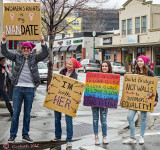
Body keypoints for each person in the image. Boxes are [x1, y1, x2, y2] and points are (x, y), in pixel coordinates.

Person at [1, 32, 48, 143]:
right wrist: (3, 41)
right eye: (24, 48)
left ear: (30, 49)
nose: (26, 49)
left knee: (27, 114)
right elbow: (5, 52)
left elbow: (45, 54)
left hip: (30, 89)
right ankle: (12, 135)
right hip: (18, 88)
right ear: (21, 49)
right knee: (16, 113)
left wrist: (42, 42)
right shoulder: (17, 56)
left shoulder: (34, 58)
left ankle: (25, 135)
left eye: (27, 48)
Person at [123, 55, 158, 145]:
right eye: (138, 61)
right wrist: (125, 98)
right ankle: (132, 137)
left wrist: (155, 99)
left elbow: (153, 87)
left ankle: (141, 136)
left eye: (141, 61)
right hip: (134, 100)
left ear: (145, 63)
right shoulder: (135, 72)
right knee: (130, 117)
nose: (139, 62)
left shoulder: (149, 73)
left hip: (145, 99)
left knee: (143, 118)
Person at [51, 58, 82, 148]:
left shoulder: (76, 76)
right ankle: (57, 136)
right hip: (59, 99)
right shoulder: (61, 72)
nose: (68, 66)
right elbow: (56, 83)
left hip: (69, 102)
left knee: (69, 121)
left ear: (74, 66)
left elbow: (78, 89)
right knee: (57, 119)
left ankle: (69, 140)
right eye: (67, 63)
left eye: (70, 64)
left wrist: (78, 98)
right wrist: (51, 87)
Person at [92, 60, 113, 145]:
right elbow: (91, 88)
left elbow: (112, 92)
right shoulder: (96, 76)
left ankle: (104, 136)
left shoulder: (112, 78)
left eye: (106, 66)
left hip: (105, 103)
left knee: (104, 120)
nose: (104, 67)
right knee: (95, 119)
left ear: (109, 67)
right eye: (103, 66)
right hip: (95, 102)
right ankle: (96, 136)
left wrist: (107, 102)